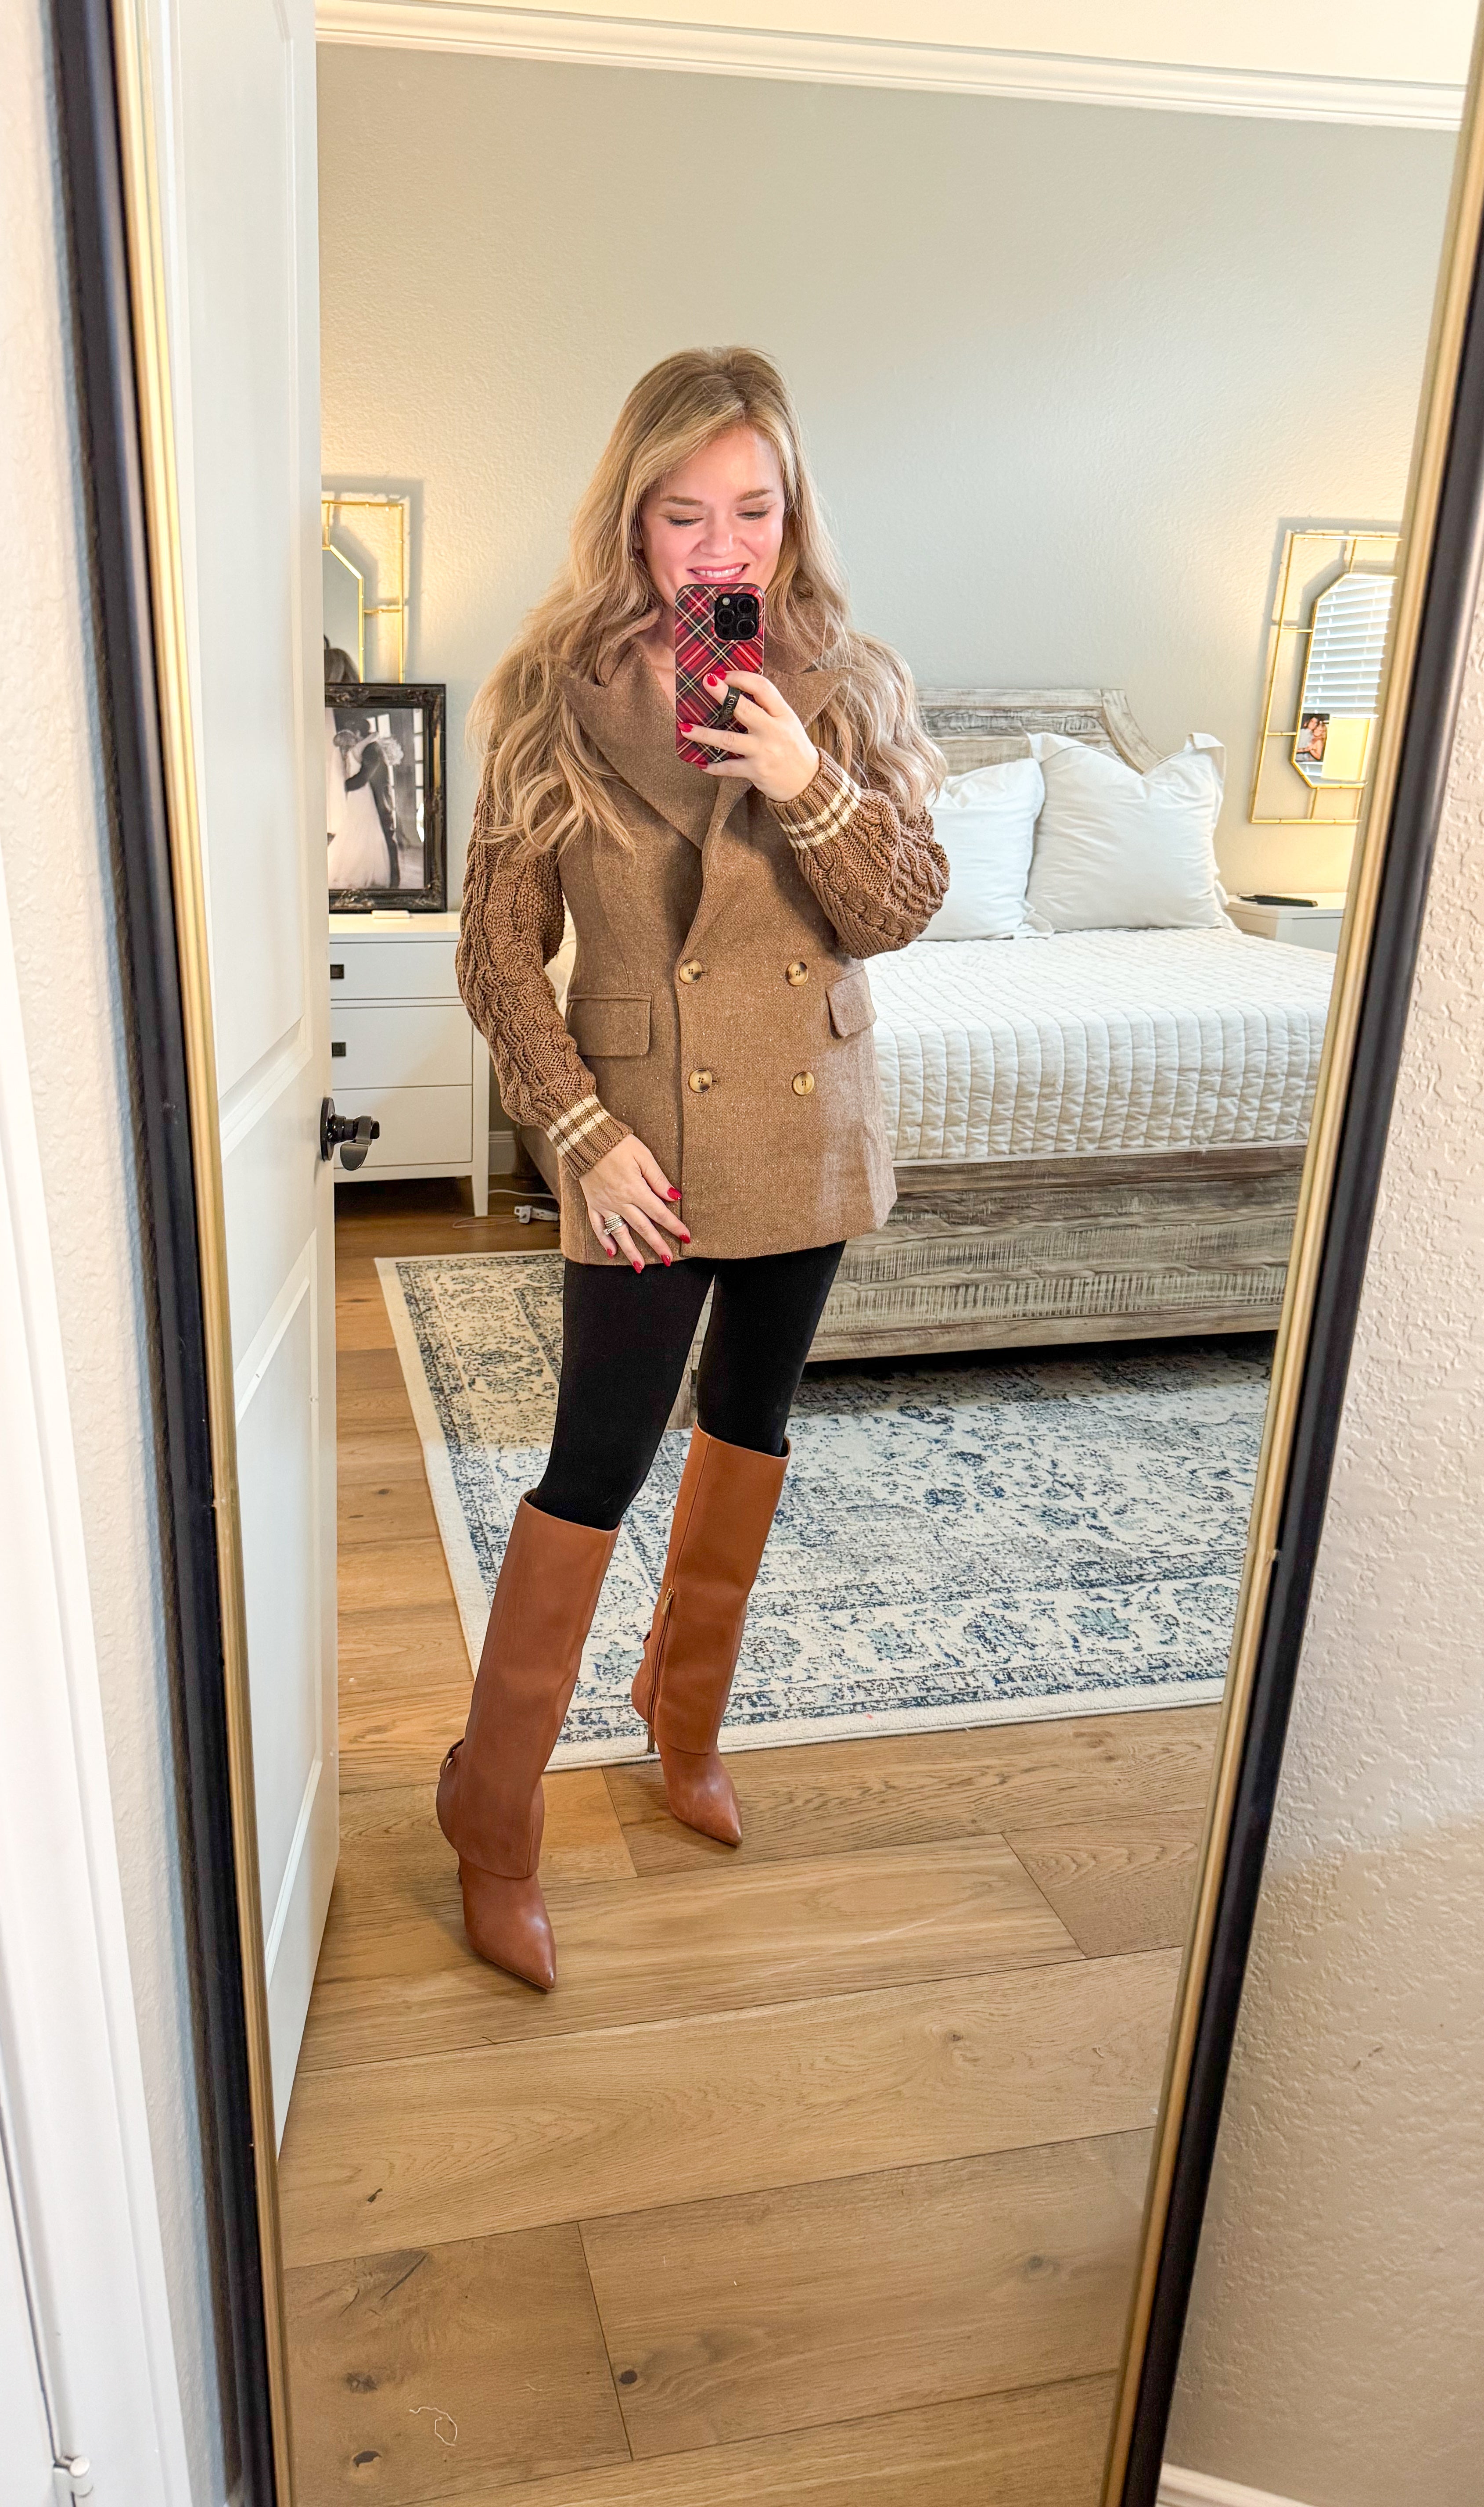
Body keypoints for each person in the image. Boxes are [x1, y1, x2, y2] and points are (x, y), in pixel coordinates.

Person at [443, 347, 949, 1988]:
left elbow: (897, 910)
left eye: (753, 508)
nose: (721, 547)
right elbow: (497, 951)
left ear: (792, 513)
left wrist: (807, 782)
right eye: (683, 514)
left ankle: (684, 1717)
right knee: (592, 1466)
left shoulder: (846, 682)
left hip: (803, 1124)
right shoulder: (549, 689)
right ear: (631, 517)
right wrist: (576, 1131)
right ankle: (490, 1813)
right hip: (641, 1147)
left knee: (750, 1425)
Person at [325, 716, 396, 889]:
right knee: (366, 826)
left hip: (354, 796)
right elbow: (372, 737)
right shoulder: (358, 750)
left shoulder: (345, 755)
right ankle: (365, 868)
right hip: (363, 794)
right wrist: (374, 735)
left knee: (356, 826)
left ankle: (355, 865)